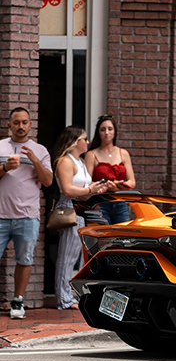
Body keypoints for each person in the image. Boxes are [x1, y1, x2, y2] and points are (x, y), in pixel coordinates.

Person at [0, 107, 53, 318]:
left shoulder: (40, 150)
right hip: (1, 215)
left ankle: (17, 301)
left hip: (28, 217)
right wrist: (5, 168)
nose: (20, 126)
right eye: (16, 122)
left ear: (30, 124)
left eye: (24, 122)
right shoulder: (1, 146)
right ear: (9, 125)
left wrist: (35, 160)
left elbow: (48, 181)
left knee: (25, 259)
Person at [53, 126, 108, 310]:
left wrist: (96, 188)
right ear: (75, 142)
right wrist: (89, 189)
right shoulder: (65, 161)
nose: (87, 142)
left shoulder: (80, 161)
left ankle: (70, 295)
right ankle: (63, 299)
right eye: (84, 139)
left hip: (80, 209)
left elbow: (83, 188)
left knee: (77, 255)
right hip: (69, 209)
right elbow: (67, 189)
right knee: (67, 256)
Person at [85, 114, 135, 224]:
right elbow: (87, 182)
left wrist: (118, 186)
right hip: (100, 201)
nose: (106, 133)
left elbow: (132, 181)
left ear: (115, 131)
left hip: (120, 199)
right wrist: (105, 185)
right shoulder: (91, 154)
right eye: (103, 130)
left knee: (123, 232)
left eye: (110, 129)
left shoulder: (123, 153)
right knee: (103, 232)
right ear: (98, 132)